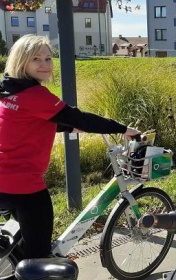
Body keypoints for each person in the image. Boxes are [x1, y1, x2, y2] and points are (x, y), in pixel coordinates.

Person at [0, 34, 140, 259]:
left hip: (3, 181)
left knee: (26, 241)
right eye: (36, 59)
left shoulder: (9, 91)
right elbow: (80, 118)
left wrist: (64, 128)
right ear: (21, 61)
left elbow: (26, 124)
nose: (45, 65)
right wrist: (123, 129)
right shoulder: (35, 95)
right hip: (23, 186)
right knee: (39, 256)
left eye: (48, 59)